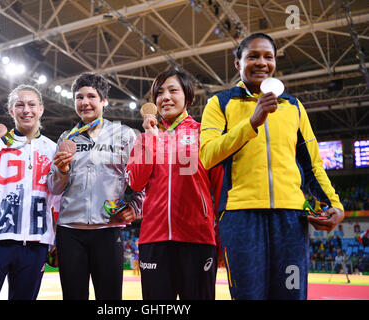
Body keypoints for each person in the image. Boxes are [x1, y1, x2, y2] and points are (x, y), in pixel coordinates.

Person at [199, 32, 344, 300]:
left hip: (291, 218)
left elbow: (312, 164)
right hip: (240, 215)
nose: (262, 63)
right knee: (248, 296)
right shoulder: (219, 103)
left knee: (291, 294)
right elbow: (207, 155)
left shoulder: (294, 107)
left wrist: (334, 204)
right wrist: (252, 122)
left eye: (269, 56)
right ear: (237, 63)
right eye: (253, 56)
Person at [125, 69, 223, 300]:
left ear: (187, 97)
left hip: (198, 239)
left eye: (172, 90)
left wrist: (222, 239)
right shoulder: (145, 138)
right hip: (154, 240)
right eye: (159, 93)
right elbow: (136, 182)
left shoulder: (204, 134)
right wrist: (150, 137)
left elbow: (220, 188)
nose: (165, 97)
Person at [47, 72, 144, 300]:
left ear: (104, 101)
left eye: (91, 96)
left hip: (108, 231)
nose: (85, 102)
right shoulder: (66, 138)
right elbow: (53, 188)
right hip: (70, 232)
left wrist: (137, 206)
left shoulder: (125, 135)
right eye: (79, 97)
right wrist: (62, 171)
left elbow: (143, 180)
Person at [0, 84, 58, 300]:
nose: (26, 110)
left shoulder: (52, 149)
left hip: (35, 245)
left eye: (32, 104)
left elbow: (59, 200)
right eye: (20, 105)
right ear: (11, 111)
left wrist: (58, 239)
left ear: (41, 109)